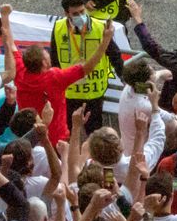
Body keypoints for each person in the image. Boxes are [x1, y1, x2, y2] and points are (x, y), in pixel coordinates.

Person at [14, 15, 114, 144]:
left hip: (30, 140)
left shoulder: (20, 73)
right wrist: (106, 40)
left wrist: (4, 19)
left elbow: (11, 47)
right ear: (44, 63)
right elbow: (88, 68)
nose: (49, 54)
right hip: (58, 140)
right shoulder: (55, 77)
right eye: (46, 54)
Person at [51, 0, 125, 130]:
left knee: (94, 132)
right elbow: (54, 59)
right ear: (66, 13)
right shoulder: (58, 28)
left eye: (82, 11)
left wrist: (125, 78)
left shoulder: (100, 28)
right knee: (67, 131)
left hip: (94, 92)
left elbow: (115, 55)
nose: (80, 16)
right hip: (69, 92)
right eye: (75, 13)